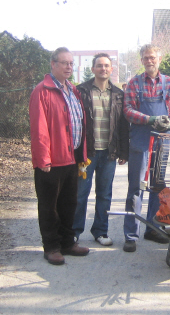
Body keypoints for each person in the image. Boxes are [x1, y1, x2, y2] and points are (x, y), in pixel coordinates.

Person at [29, 47, 89, 265]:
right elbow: (39, 128)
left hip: (71, 157)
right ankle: (52, 247)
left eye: (71, 63)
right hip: (51, 160)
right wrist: (42, 158)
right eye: (64, 63)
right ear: (52, 64)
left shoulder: (72, 90)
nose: (69, 67)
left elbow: (78, 123)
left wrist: (81, 153)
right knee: (49, 206)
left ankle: (67, 242)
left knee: (68, 203)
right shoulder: (42, 90)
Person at [123, 44, 170, 252]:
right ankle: (131, 234)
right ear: (141, 60)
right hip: (140, 142)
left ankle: (154, 228)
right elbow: (128, 111)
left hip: (162, 142)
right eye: (146, 58)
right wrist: (150, 119)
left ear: (159, 59)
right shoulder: (134, 83)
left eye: (153, 57)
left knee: (158, 188)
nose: (150, 61)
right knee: (136, 188)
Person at [72, 53, 129, 246]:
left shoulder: (119, 95)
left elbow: (123, 125)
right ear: (93, 69)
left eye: (106, 66)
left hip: (109, 153)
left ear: (111, 69)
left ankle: (100, 231)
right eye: (99, 65)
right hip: (87, 153)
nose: (103, 69)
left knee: (105, 194)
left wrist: (123, 152)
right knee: (81, 194)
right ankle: (74, 231)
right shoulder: (81, 91)